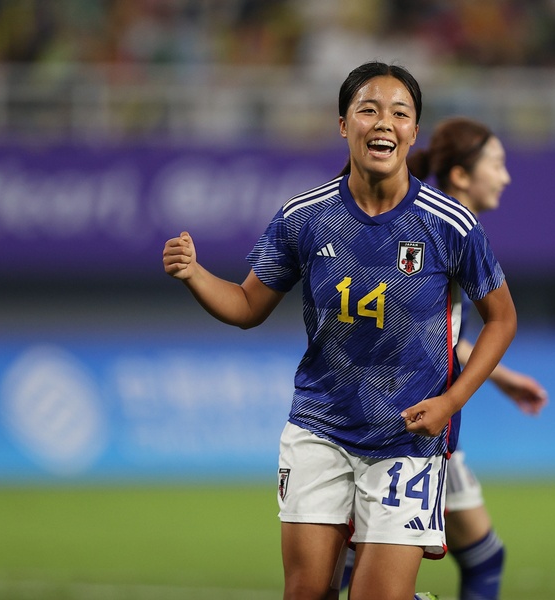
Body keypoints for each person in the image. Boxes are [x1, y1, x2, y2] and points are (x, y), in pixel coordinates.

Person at [162, 61, 517, 600]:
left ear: (413, 133)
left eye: (399, 113)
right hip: (319, 429)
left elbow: (502, 318)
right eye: (368, 109)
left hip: (407, 440)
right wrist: (194, 274)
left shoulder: (450, 224)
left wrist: (451, 401)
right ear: (343, 124)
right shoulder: (304, 217)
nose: (383, 122)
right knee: (306, 593)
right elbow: (246, 304)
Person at [339, 117, 549, 599]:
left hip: (427, 422)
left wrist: (502, 376)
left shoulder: (453, 229)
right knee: (357, 575)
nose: (505, 176)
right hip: (397, 428)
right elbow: (403, 335)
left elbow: (441, 335)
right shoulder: (431, 228)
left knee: (481, 556)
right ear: (460, 175)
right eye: (496, 164)